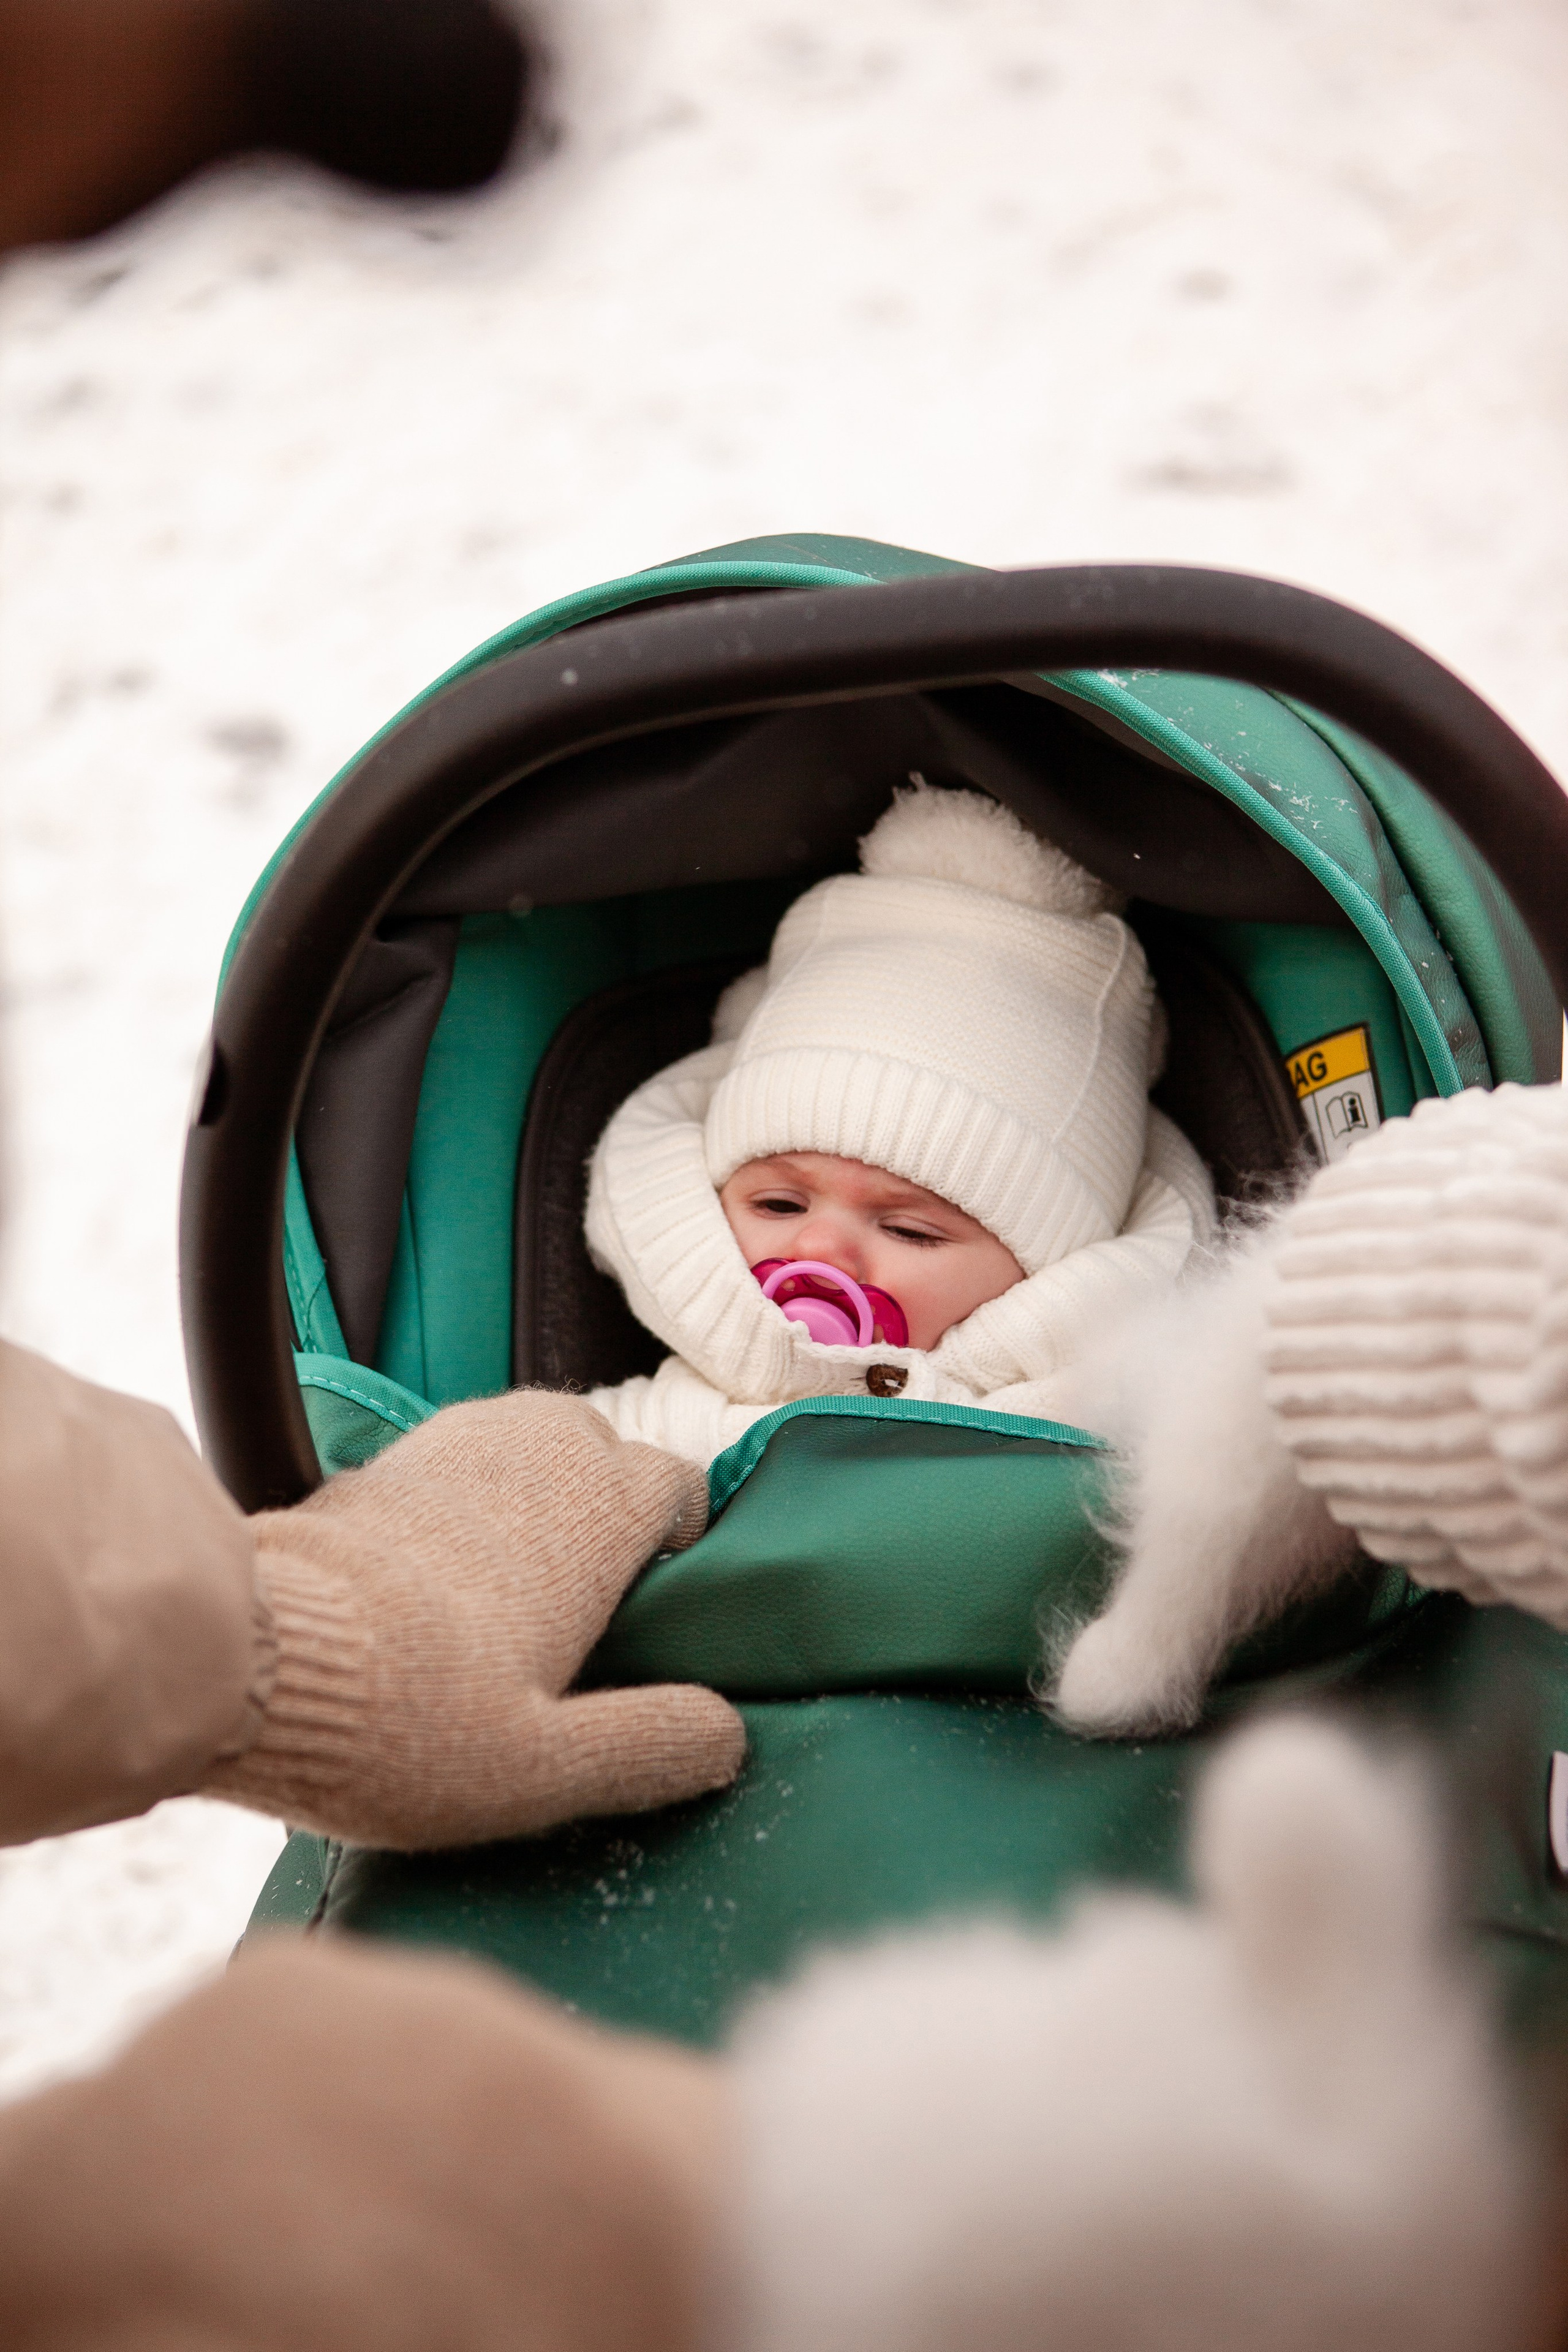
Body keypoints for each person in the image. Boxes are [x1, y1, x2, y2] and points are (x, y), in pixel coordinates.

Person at [583, 780, 1216, 1468]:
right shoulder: (661, 1424)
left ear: (1049, 1276)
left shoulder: (1115, 1422)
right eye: (777, 1202)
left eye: (909, 1230)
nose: (819, 1243)